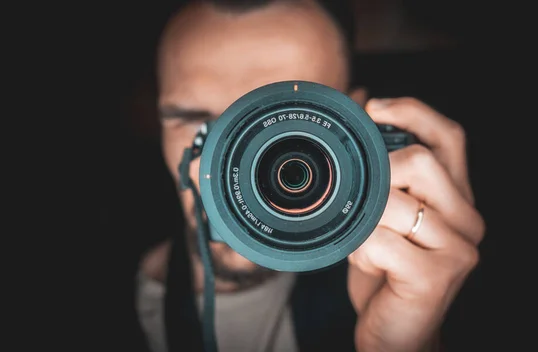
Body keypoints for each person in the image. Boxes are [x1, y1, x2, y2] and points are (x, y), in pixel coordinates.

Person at [136, 0, 485, 351]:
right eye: (197, 123)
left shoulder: (398, 281)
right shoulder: (104, 295)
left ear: (359, 123)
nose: (224, 167)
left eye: (284, 119)